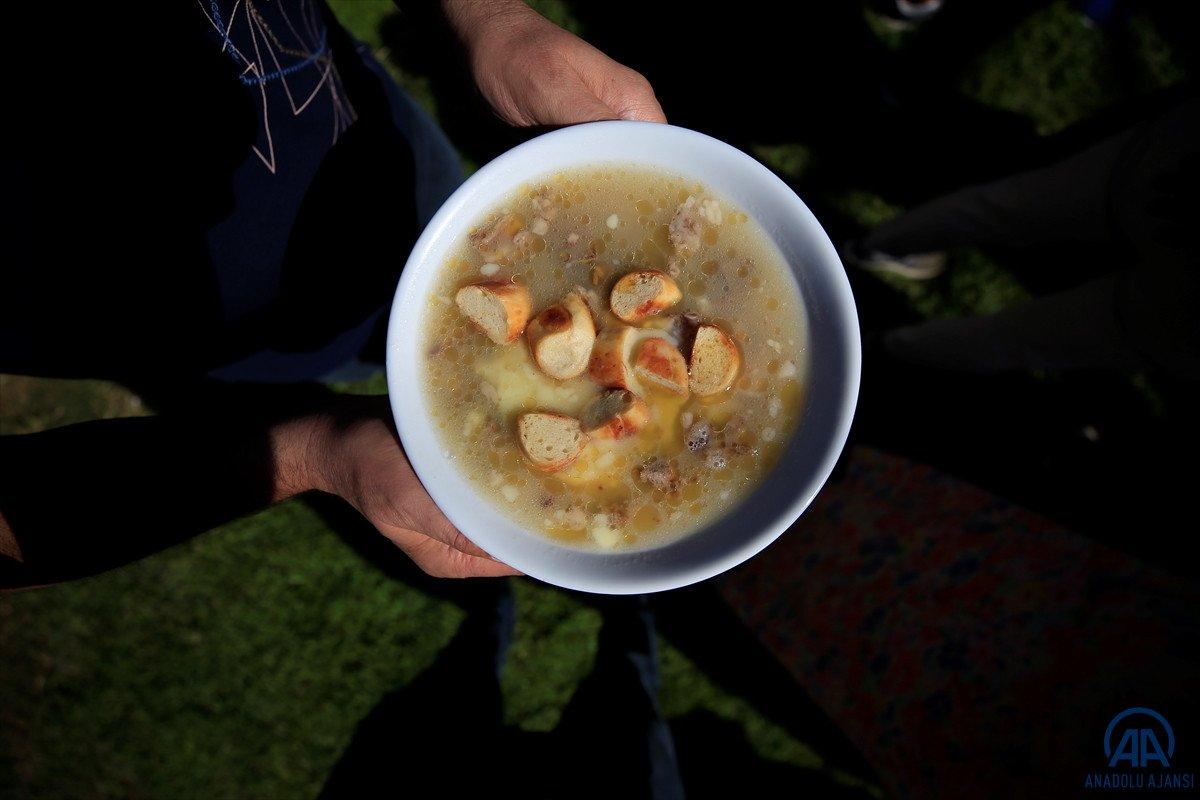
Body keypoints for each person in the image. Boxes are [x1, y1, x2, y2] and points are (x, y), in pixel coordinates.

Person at [0, 0, 665, 589]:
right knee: (356, 355)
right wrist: (317, 449)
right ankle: (350, 360)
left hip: (373, 140)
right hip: (209, 323)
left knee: (420, 256)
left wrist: (490, 19)